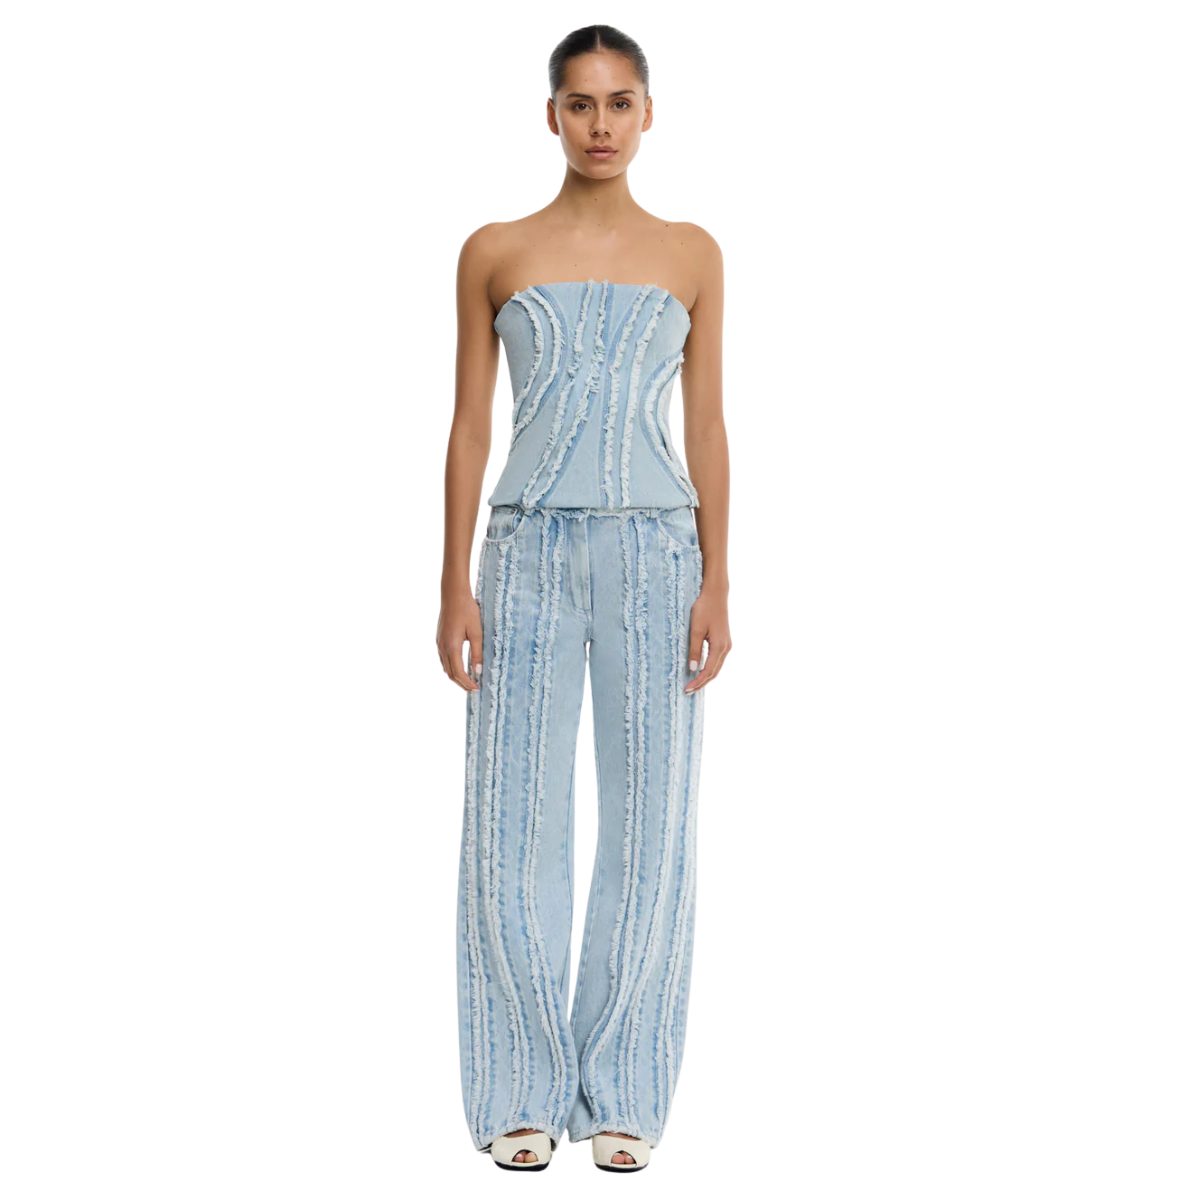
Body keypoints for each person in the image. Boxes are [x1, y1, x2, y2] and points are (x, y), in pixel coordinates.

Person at [436, 24, 732, 1173]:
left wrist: (719, 575)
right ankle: (518, 1087)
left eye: (619, 102)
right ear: (550, 115)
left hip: (658, 553)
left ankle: (625, 1092)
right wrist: (453, 582)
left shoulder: (692, 253)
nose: (600, 124)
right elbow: (470, 425)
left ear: (647, 113)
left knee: (652, 822)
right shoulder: (494, 250)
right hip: (525, 550)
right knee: (512, 818)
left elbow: (707, 424)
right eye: (579, 103)